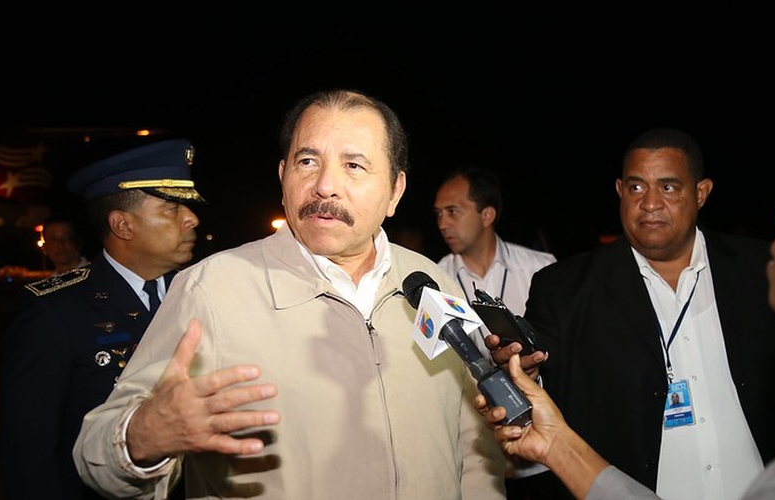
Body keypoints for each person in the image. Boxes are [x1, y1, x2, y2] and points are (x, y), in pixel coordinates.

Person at [72, 89, 507, 499]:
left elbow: (474, 441)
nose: (325, 186)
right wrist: (143, 437)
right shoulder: (212, 290)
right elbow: (95, 451)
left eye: (354, 165)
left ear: (395, 191)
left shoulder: (433, 282)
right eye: (307, 162)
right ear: (283, 177)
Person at [484, 127, 775, 500]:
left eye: (669, 187)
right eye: (636, 187)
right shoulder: (565, 288)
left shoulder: (766, 270)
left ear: (701, 193)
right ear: (619, 191)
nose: (649, 203)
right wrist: (525, 373)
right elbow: (548, 378)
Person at [1, 138, 204, 500]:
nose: (192, 218)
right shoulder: (56, 312)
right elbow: (30, 449)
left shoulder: (198, 292)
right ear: (122, 225)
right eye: (172, 208)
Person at [433, 166, 556, 496]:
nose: (443, 223)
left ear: (487, 214)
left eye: (453, 211)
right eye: (439, 214)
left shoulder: (542, 269)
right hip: (475, 467)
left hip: (542, 462)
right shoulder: (434, 281)